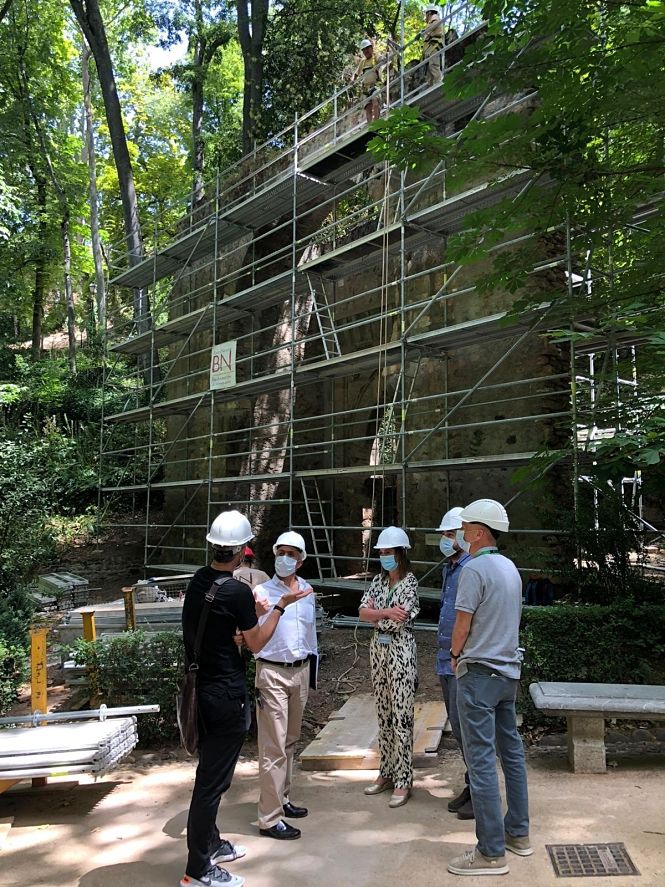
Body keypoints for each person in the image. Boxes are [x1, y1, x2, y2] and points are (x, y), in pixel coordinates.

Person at [180, 510, 312, 887]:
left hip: (202, 689)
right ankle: (198, 869)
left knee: (210, 776)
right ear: (241, 551)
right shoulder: (236, 589)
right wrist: (280, 606)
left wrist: (249, 617)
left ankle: (212, 843)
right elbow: (255, 642)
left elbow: (219, 628)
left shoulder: (199, 581)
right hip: (224, 695)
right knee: (212, 784)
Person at [447, 499, 532, 878]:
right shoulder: (510, 568)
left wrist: (454, 654)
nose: (460, 536)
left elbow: (462, 626)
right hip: (508, 675)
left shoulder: (474, 569)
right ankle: (519, 834)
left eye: (464, 529)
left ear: (479, 532)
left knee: (480, 759)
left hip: (479, 674)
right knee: (511, 753)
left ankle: (490, 852)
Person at [251, 531, 318, 840]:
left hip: (300, 672)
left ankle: (283, 799)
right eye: (281, 552)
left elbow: (309, 634)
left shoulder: (307, 592)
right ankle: (269, 818)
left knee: (290, 741)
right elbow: (252, 636)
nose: (285, 558)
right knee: (273, 746)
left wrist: (311, 670)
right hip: (272, 674)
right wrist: (263, 610)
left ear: (301, 561)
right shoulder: (261, 593)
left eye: (292, 554)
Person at [358, 526, 420, 808]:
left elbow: (401, 619)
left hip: (401, 650)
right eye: (381, 552)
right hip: (378, 651)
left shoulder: (410, 583)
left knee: (401, 716)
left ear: (401, 553)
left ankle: (404, 778)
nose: (384, 556)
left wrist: (377, 615)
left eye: (389, 552)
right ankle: (386, 771)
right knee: (383, 713)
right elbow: (362, 613)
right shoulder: (378, 582)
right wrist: (383, 613)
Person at [436, 507, 473, 820]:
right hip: (445, 659)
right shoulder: (450, 567)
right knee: (460, 730)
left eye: (449, 534)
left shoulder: (473, 568)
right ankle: (471, 784)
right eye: (444, 535)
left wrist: (458, 654)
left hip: (461, 660)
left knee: (470, 730)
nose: (445, 540)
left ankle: (479, 792)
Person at [353, 38, 383, 124]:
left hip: (375, 85)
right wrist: (352, 80)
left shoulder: (375, 57)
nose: (366, 51)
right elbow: (356, 73)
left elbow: (381, 59)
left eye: (367, 49)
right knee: (368, 107)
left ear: (371, 48)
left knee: (375, 102)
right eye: (364, 50)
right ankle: (370, 126)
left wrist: (383, 59)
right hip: (366, 88)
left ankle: (376, 124)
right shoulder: (362, 62)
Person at [421, 4, 445, 87]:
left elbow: (434, 25)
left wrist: (424, 31)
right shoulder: (431, 21)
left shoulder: (434, 17)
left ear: (429, 13)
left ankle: (439, 83)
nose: (425, 16)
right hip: (430, 47)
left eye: (426, 14)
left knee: (433, 65)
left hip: (434, 45)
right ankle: (431, 87)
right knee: (429, 71)